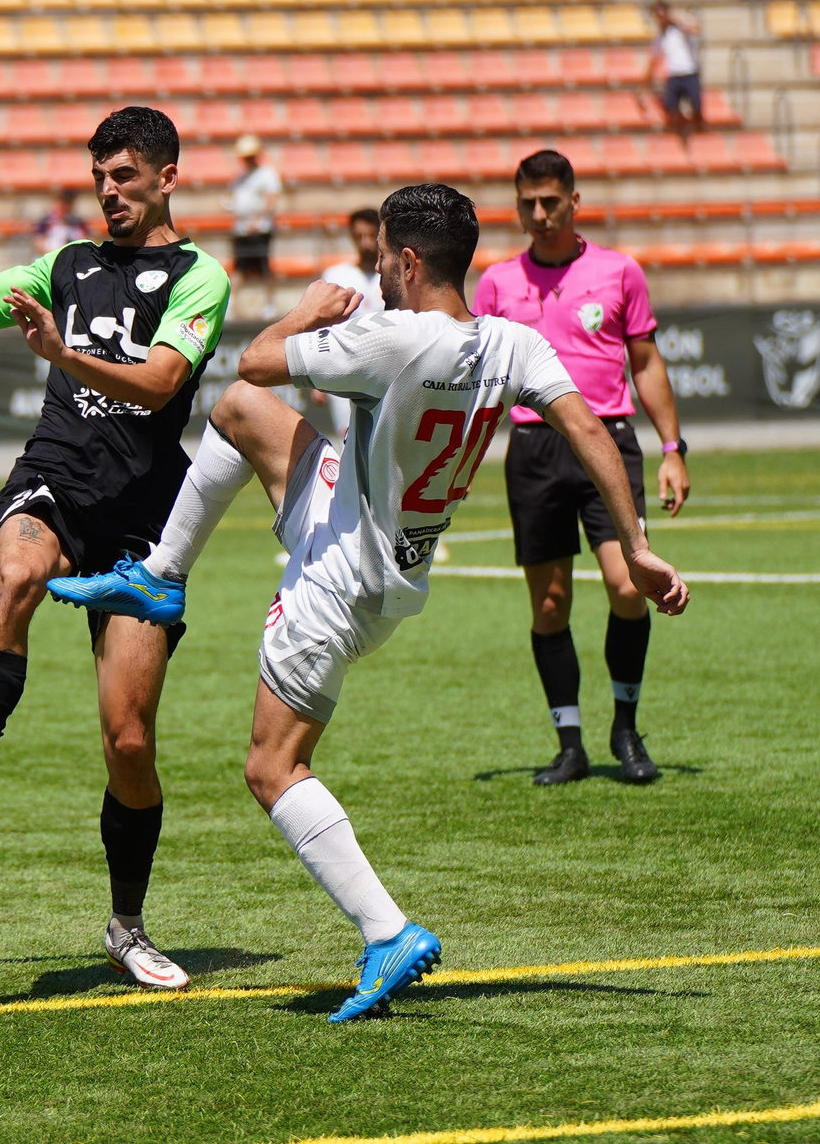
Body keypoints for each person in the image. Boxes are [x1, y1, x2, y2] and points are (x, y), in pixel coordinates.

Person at [47, 184, 689, 1021]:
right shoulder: (512, 342)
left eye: (385, 254)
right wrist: (634, 542)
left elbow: (256, 358)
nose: (377, 267)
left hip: (338, 578)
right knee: (242, 417)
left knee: (271, 767)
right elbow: (593, 430)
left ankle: (384, 929)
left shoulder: (389, 336)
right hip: (373, 538)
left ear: (411, 262)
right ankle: (160, 576)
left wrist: (308, 312)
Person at [0, 106, 230, 990]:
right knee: (16, 567)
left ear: (167, 177)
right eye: (100, 176)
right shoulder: (63, 266)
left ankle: (127, 924)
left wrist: (64, 351)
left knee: (129, 741)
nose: (109, 191)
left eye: (126, 175)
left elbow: (162, 384)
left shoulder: (198, 276)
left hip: (144, 512)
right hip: (56, 474)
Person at [472, 150, 690, 786]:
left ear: (574, 202)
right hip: (534, 449)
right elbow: (481, 378)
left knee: (628, 586)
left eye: (550, 203)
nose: (538, 216)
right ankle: (569, 743)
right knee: (550, 605)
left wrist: (673, 449)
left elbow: (645, 363)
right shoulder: (496, 283)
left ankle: (625, 727)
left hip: (609, 441)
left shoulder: (619, 271)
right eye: (527, 204)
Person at [311, 207, 385, 437]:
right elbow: (321, 326)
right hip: (343, 370)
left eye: (370, 236)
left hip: (386, 368)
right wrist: (316, 374)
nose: (364, 243)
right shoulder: (336, 276)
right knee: (347, 439)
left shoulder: (397, 276)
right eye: (358, 236)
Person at [227, 134, 283, 314]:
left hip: (259, 229)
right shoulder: (241, 177)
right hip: (242, 228)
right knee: (239, 268)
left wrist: (257, 220)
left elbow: (271, 200)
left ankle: (270, 303)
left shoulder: (266, 174)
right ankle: (231, 304)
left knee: (264, 267)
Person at [648, 2, 704, 142]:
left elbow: (695, 29)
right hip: (674, 75)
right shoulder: (661, 37)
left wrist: (676, 19)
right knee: (672, 110)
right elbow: (654, 58)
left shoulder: (681, 30)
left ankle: (699, 136)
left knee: (696, 107)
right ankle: (678, 139)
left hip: (689, 72)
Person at [32, 188, 90, 254]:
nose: (65, 206)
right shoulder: (46, 221)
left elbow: (85, 240)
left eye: (68, 203)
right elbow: (38, 242)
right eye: (63, 202)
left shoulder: (78, 222)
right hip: (51, 256)